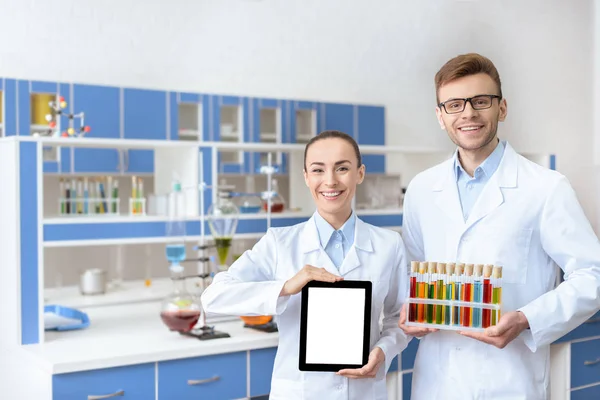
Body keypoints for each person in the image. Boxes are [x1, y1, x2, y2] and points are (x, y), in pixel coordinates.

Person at [398, 52, 600, 399]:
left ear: (501, 108)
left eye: (481, 101)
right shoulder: (421, 189)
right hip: (436, 383)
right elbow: (413, 277)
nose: (468, 114)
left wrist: (526, 318)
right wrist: (409, 307)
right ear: (440, 116)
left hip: (509, 382)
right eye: (454, 105)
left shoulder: (546, 188)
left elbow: (592, 274)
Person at [202, 130, 410, 400]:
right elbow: (213, 297)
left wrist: (383, 352)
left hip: (364, 392)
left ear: (359, 173)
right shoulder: (279, 243)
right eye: (318, 170)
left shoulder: (389, 245)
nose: (330, 181)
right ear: (306, 177)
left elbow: (399, 319)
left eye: (342, 168)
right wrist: (286, 287)